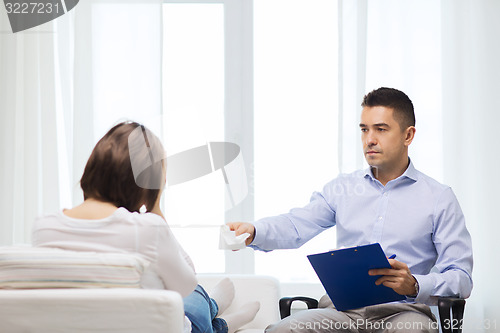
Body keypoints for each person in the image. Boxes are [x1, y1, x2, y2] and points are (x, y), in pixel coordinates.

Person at [228, 87, 473, 333]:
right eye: (364, 129)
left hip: (404, 313)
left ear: (408, 135)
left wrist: (415, 284)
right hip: (341, 312)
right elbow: (296, 224)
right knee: (283, 330)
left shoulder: (439, 198)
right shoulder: (343, 188)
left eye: (381, 129)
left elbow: (461, 277)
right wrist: (255, 231)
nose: (370, 140)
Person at [32, 121, 260, 333]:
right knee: (195, 298)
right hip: (157, 323)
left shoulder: (44, 227)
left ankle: (214, 306)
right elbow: (187, 283)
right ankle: (221, 320)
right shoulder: (147, 229)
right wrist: (155, 205)